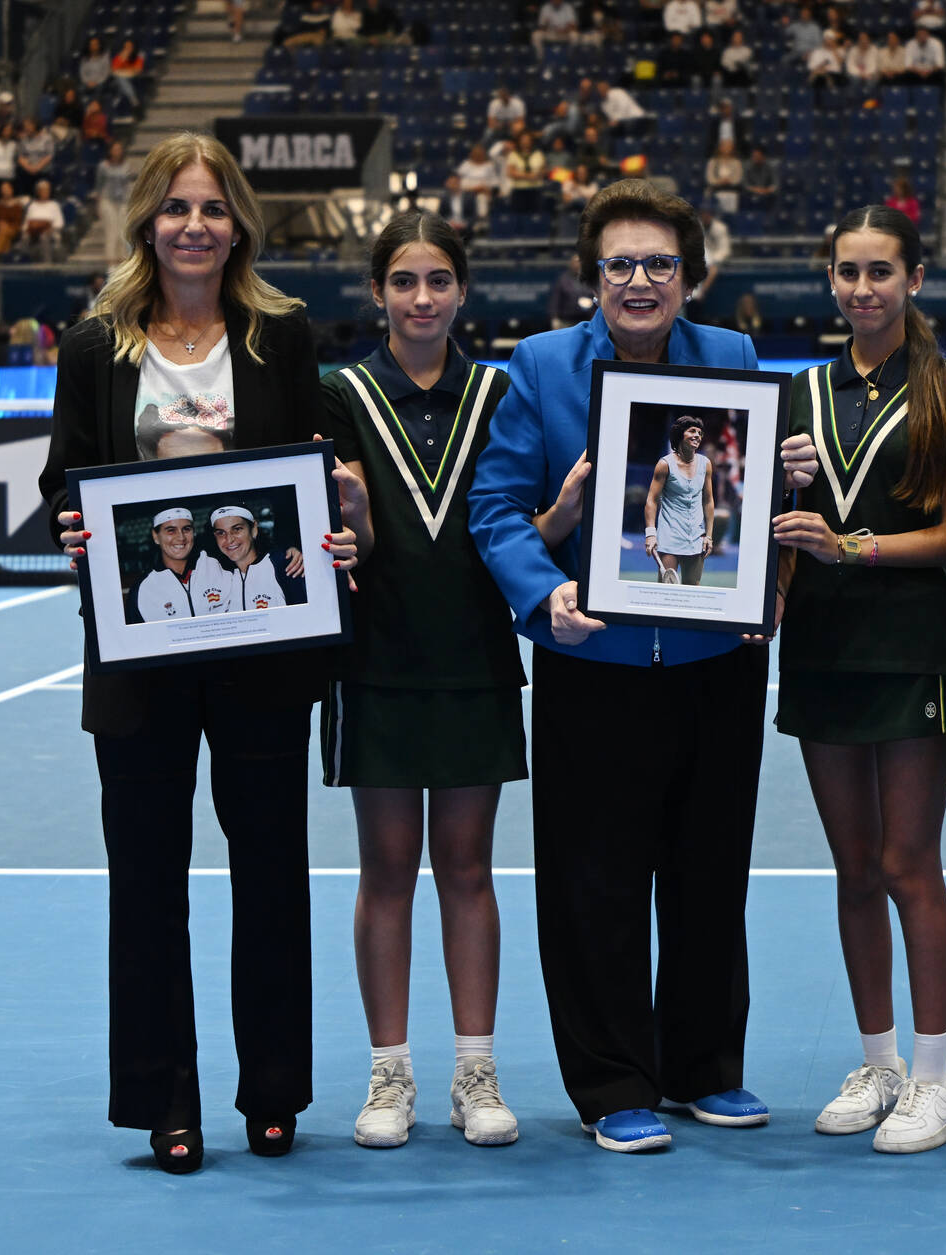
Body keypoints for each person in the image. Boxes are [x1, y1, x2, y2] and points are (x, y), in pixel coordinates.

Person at [467, 179, 819, 1154]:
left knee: (708, 872)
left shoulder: (735, 360)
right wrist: (546, 594)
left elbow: (758, 515)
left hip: (714, 656)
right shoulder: (538, 367)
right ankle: (612, 1081)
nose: (638, 281)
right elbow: (494, 510)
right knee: (595, 883)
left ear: (688, 275)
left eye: (658, 263)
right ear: (591, 277)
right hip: (594, 656)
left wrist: (774, 554)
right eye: (618, 263)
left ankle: (705, 1066)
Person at [39, 130, 362, 1176]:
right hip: (138, 660)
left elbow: (313, 473)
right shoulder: (96, 346)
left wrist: (332, 525)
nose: (193, 225)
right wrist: (74, 528)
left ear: (238, 226)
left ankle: (272, 1091)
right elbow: (63, 483)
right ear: (147, 221)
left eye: (212, 208)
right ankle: (162, 1099)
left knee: (269, 872)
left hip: (262, 652)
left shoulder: (283, 334)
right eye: (176, 208)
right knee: (146, 880)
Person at [314, 210, 527, 1149]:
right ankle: (388, 1073)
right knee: (388, 868)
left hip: (477, 655)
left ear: (462, 292)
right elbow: (323, 518)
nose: (422, 298)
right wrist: (344, 524)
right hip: (379, 658)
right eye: (404, 281)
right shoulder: (337, 391)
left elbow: (521, 519)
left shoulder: (502, 391)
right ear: (377, 293)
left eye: (438, 280)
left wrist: (561, 511)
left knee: (470, 867)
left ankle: (474, 1070)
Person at [774, 204, 946, 1155]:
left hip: (910, 648)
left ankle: (935, 1079)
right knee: (853, 868)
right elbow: (767, 535)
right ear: (829, 281)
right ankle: (879, 1060)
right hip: (816, 649)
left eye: (880, 273)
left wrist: (847, 545)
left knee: (909, 865)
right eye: (847, 272)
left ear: (914, 280)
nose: (863, 289)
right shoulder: (795, 396)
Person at [643, 417, 715, 583]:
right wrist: (651, 534)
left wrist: (709, 536)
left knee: (692, 589)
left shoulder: (706, 464)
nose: (697, 435)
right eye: (692, 431)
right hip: (669, 535)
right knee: (666, 590)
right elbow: (651, 500)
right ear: (680, 435)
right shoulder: (664, 464)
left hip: (697, 537)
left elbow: (708, 501)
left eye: (700, 432)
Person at [127, 507, 229, 621]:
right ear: (156, 536)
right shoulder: (143, 589)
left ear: (194, 532)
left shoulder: (218, 564)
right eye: (171, 530)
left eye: (186, 529)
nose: (181, 537)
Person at [96, 140, 138, 263]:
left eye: (119, 149)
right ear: (110, 151)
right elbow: (99, 185)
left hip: (124, 200)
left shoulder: (128, 165)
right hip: (107, 200)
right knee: (111, 230)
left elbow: (132, 181)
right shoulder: (103, 166)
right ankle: (110, 258)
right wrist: (98, 205)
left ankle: (123, 257)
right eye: (114, 149)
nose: (117, 152)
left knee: (123, 230)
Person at [22, 180, 67, 263]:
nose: (46, 192)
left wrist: (51, 229)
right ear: (38, 192)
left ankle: (47, 264)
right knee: (25, 237)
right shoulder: (32, 205)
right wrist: (26, 230)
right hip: (33, 232)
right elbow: (26, 223)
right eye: (43, 190)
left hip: (49, 231)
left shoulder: (54, 205)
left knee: (44, 237)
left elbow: (60, 223)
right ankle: (26, 264)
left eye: (47, 190)